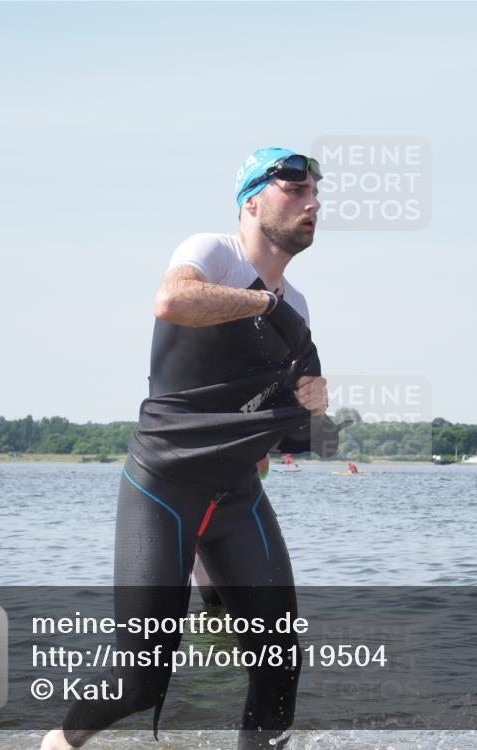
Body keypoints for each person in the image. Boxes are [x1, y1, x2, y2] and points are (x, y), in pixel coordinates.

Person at [41, 148, 338, 750]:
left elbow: (293, 438)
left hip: (235, 497)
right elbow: (172, 300)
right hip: (163, 485)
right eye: (295, 190)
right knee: (140, 676)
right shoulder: (211, 252)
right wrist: (263, 304)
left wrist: (313, 401)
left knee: (280, 660)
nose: (312, 203)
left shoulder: (298, 310)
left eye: (316, 193)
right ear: (251, 200)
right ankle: (57, 745)